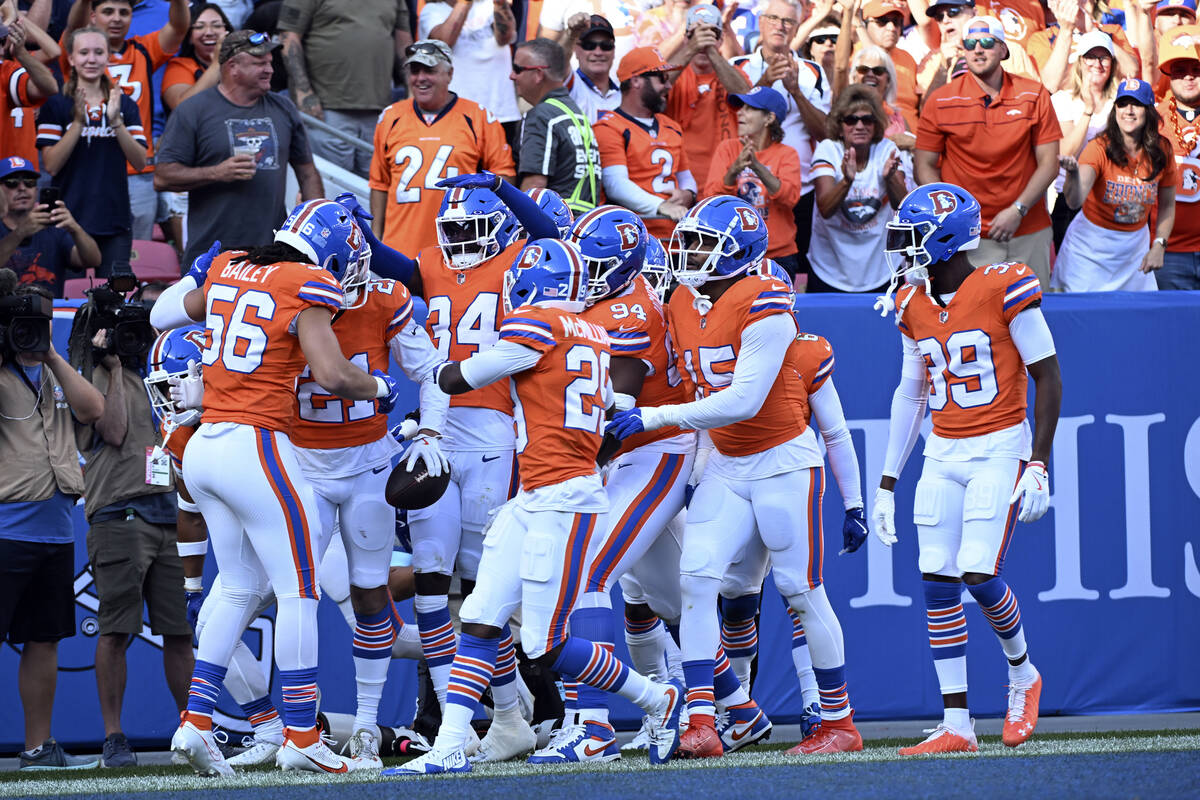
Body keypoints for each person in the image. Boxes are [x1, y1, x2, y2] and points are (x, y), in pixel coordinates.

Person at [385, 237, 686, 776]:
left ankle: (656, 698)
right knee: (480, 615)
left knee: (543, 644)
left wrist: (420, 366)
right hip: (538, 495)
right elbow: (611, 412)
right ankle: (450, 745)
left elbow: (458, 379)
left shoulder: (540, 327)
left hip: (561, 500)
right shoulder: (593, 329)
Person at [606, 195, 864, 758]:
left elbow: (743, 401)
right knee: (698, 579)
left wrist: (652, 417)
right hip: (724, 460)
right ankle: (702, 719)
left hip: (781, 461)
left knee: (799, 589)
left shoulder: (766, 302)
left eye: (703, 244)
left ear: (739, 252)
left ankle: (839, 721)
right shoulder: (680, 299)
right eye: (689, 240)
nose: (688, 252)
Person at [149, 199, 397, 776]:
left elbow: (165, 315)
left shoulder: (232, 264)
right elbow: (334, 375)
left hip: (205, 444)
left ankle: (197, 721)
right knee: (299, 593)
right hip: (256, 444)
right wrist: (380, 387)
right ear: (330, 253)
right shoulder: (307, 282)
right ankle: (303, 735)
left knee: (236, 585)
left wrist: (196, 275)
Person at [352, 171, 560, 762]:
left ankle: (522, 712)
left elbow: (553, 236)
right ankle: (469, 723)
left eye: (473, 228)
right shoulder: (434, 264)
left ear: (497, 228)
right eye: (453, 229)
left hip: (494, 432)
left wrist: (503, 189)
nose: (460, 240)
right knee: (431, 577)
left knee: (481, 586)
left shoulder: (520, 260)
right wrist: (359, 231)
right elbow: (392, 263)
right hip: (436, 434)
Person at [873, 182, 1062, 755]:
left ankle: (1022, 673)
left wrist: (1039, 464)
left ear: (945, 240)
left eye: (912, 238)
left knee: (978, 571)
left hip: (1000, 444)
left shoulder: (1004, 285)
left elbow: (1047, 376)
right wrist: (886, 483)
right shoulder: (912, 303)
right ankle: (957, 724)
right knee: (936, 577)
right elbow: (909, 394)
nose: (901, 249)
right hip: (943, 450)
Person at [285, 193, 449, 769]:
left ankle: (365, 724)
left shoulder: (385, 296)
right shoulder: (283, 288)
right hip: (299, 463)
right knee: (287, 592)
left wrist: (430, 433)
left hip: (366, 463)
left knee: (371, 593)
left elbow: (431, 374)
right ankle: (275, 726)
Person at [66, 281, 193, 768]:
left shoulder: (161, 375)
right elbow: (114, 431)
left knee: (180, 631)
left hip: (169, 514)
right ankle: (114, 737)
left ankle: (190, 730)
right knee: (116, 630)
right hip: (120, 513)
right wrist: (113, 367)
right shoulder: (90, 378)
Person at [0, 272, 105, 771]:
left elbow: (95, 410)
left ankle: (38, 748)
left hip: (56, 530)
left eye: (40, 325)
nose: (32, 332)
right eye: (24, 326)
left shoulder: (53, 372)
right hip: (4, 529)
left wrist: (52, 355)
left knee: (44, 639)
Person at [155, 30, 324, 271]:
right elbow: (162, 177)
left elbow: (307, 171)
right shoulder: (193, 110)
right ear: (232, 67)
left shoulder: (283, 107)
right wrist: (217, 173)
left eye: (269, 62)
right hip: (212, 254)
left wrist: (316, 224)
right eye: (258, 63)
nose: (269, 69)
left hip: (272, 253)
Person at [915, 16, 1061, 287]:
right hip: (968, 236)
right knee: (974, 323)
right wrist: (951, 215)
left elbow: (1050, 163)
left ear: (1004, 49)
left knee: (1033, 317)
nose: (978, 49)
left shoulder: (1034, 94)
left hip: (1028, 229)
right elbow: (923, 164)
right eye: (970, 43)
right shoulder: (940, 100)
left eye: (986, 42)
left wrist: (1018, 210)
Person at [368, 39, 515, 259]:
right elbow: (379, 184)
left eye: (429, 70)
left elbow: (504, 178)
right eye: (414, 71)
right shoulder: (390, 116)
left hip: (459, 250)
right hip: (398, 250)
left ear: (450, 74)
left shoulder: (478, 117)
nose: (420, 78)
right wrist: (377, 239)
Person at [61, 0, 190, 242]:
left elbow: (179, 27)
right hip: (86, 170)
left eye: (124, 12)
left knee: (137, 255)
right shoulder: (79, 53)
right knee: (79, 253)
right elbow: (74, 26)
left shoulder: (143, 49)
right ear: (92, 15)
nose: (117, 18)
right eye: (108, 12)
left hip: (136, 171)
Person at [732, 0, 832, 288]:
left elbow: (825, 131)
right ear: (761, 22)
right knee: (744, 268)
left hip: (801, 187)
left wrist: (796, 91)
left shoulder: (812, 71)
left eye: (788, 21)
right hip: (747, 185)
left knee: (793, 270)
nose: (780, 25)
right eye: (774, 18)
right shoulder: (739, 65)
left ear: (797, 28)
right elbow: (733, 114)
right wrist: (766, 80)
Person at [37, 25, 146, 276]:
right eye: (84, 52)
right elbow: (51, 164)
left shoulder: (124, 103)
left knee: (112, 302)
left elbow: (140, 162)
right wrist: (77, 122)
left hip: (114, 219)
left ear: (108, 57)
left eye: (98, 52)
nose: (91, 59)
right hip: (66, 219)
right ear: (72, 58)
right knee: (66, 302)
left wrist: (116, 121)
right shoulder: (56, 104)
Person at [1054, 79, 1175, 291]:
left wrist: (1159, 244)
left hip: (1135, 247)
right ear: (1115, 110)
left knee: (1136, 318)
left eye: (1136, 104)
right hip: (1090, 249)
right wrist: (1072, 175)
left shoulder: (1162, 149)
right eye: (1122, 104)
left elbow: (1167, 206)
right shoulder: (1099, 147)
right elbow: (1074, 202)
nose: (1128, 111)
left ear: (1148, 111)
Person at [277, 0, 412, 176]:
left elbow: (404, 41)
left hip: (379, 111)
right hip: (326, 108)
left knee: (375, 190)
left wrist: (411, 88)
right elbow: (288, 37)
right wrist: (303, 92)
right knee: (331, 190)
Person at [809, 85, 907, 292]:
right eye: (851, 120)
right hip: (830, 269)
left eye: (867, 119)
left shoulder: (886, 150)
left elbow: (902, 206)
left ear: (876, 124)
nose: (860, 125)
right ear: (840, 125)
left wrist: (890, 178)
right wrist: (846, 181)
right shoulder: (828, 149)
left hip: (881, 270)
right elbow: (825, 209)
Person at [593, 46, 695, 241]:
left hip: (675, 238)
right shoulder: (609, 127)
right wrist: (661, 206)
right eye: (661, 78)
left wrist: (688, 193)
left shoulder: (671, 126)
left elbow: (686, 176)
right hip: (635, 240)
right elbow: (615, 184)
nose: (668, 86)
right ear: (636, 80)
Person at [703, 86, 802, 274]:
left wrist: (757, 167)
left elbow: (789, 199)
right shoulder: (727, 149)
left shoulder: (787, 154)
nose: (740, 112)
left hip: (778, 256)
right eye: (741, 107)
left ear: (769, 118)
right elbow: (711, 200)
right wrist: (733, 171)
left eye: (749, 108)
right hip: (734, 253)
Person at [664, 4, 751, 190]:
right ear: (685, 38)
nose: (702, 40)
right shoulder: (675, 72)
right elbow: (655, 89)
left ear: (721, 39)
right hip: (679, 187)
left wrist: (710, 50)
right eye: (695, 34)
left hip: (723, 184)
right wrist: (692, 49)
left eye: (712, 34)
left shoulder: (732, 73)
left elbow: (746, 96)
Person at [511, 37, 601, 214]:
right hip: (585, 225)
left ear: (538, 74)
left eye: (518, 69)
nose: (511, 75)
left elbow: (534, 187)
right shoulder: (575, 113)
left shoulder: (540, 116)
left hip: (554, 225)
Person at [1049, 29, 1117, 248]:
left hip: (1110, 198)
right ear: (1080, 61)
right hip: (1070, 200)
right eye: (1090, 56)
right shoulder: (1062, 100)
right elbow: (1066, 152)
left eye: (1103, 57)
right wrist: (1088, 111)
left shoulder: (1121, 101)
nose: (1097, 63)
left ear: (1112, 63)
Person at [418, 0, 521, 140]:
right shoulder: (432, 10)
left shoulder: (489, 5)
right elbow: (444, 44)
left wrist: (500, 4)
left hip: (501, 112)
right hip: (457, 115)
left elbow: (506, 38)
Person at [0, 155, 100, 296]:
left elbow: (93, 260)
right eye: (12, 182)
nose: (22, 188)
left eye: (29, 182)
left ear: (36, 189)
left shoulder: (54, 227)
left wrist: (75, 229)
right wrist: (20, 233)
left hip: (49, 314)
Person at [1155, 24, 1200, 289]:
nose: (1189, 78)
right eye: (1180, 71)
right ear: (1169, 75)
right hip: (1168, 254)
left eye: (1197, 70)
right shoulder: (1150, 121)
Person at [0, 17, 59, 164]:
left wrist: (19, 18)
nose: (1, 49)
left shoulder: (10, 70)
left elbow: (55, 53)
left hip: (18, 166)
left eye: (2, 41)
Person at [858, 0, 919, 130]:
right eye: (882, 21)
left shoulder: (908, 58)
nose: (891, 28)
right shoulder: (855, 55)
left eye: (897, 22)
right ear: (865, 24)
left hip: (912, 141)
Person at [161, 4, 232, 112]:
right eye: (199, 27)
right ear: (189, 37)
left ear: (227, 31)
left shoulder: (241, 63)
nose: (209, 32)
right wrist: (217, 63)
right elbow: (183, 107)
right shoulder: (180, 66)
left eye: (217, 26)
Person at [563, 14, 620, 123]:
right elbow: (558, 63)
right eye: (589, 45)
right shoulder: (571, 84)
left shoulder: (624, 96)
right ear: (575, 49)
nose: (598, 52)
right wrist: (571, 35)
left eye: (605, 45)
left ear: (614, 50)